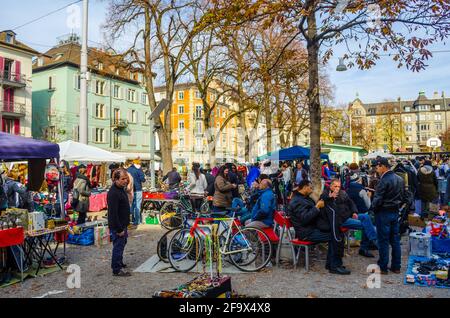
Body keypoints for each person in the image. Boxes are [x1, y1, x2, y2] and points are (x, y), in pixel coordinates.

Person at [288, 180, 350, 275]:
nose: (312, 190)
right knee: (335, 236)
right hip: (307, 233)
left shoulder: (304, 198)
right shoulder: (297, 201)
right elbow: (305, 219)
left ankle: (332, 264)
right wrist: (317, 207)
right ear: (304, 187)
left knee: (336, 233)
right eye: (310, 188)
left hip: (312, 229)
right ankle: (334, 266)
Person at [370, 158, 405, 275]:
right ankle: (396, 266)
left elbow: (377, 199)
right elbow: (402, 196)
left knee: (383, 240)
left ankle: (383, 267)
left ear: (383, 166)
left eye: (378, 167)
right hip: (395, 212)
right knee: (394, 239)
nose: (376, 169)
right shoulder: (399, 179)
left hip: (384, 212)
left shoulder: (384, 180)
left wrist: (373, 209)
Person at [344, 173, 378, 258]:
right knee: (367, 220)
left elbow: (351, 204)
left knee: (366, 218)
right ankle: (369, 242)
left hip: (352, 213)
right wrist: (369, 196)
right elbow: (368, 205)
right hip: (351, 215)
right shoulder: (361, 189)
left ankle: (372, 240)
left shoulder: (346, 190)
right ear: (359, 180)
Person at [107, 169, 132, 277]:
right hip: (118, 225)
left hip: (123, 224)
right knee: (118, 246)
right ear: (115, 180)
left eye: (126, 178)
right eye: (123, 179)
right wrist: (119, 229)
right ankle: (116, 269)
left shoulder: (121, 189)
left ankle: (119, 262)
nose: (125, 181)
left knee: (122, 244)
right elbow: (112, 214)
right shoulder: (113, 193)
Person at [127, 159, 146, 226]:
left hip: (129, 190)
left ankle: (131, 219)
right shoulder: (139, 169)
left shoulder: (128, 169)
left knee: (131, 205)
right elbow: (143, 180)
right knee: (137, 205)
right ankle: (137, 221)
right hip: (138, 189)